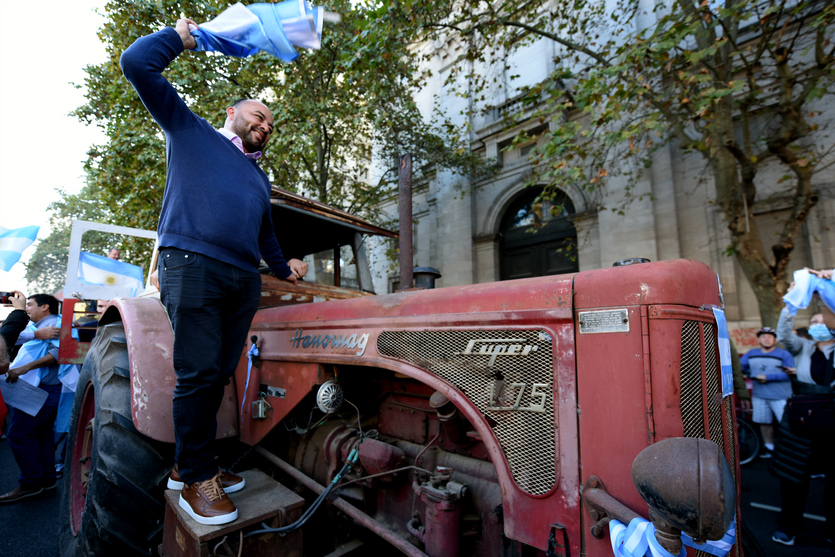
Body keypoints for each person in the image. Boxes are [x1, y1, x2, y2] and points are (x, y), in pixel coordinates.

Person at [121, 18, 308, 525]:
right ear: (233, 113)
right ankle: (196, 481)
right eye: (259, 114)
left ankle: (192, 464)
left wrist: (282, 264)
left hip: (242, 278)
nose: (265, 124)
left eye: (271, 123)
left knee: (219, 374)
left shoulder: (258, 177)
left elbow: (264, 231)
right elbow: (136, 64)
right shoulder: (189, 130)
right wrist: (177, 39)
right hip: (192, 265)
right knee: (199, 373)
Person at [771, 304, 835, 546]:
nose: (818, 325)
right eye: (814, 321)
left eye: (824, 320)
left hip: (830, 426)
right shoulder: (803, 348)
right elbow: (785, 333)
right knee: (793, 479)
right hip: (801, 425)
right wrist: (790, 305)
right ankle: (788, 527)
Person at [0, 294, 63, 504]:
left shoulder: (57, 324)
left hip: (41, 388)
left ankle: (31, 483)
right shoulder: (38, 327)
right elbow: (10, 337)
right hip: (40, 388)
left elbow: (58, 353)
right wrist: (37, 334)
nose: (26, 309)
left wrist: (24, 367)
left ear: (45, 307)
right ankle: (47, 479)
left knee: (19, 435)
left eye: (29, 305)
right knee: (41, 434)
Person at [739, 327, 794, 455]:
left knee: (786, 424)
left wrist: (768, 377)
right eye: (763, 336)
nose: (766, 339)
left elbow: (790, 373)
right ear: (759, 339)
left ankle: (789, 450)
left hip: (781, 396)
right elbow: (740, 367)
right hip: (759, 396)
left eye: (770, 336)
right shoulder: (751, 353)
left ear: (775, 340)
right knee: (764, 422)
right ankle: (769, 448)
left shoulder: (784, 354)